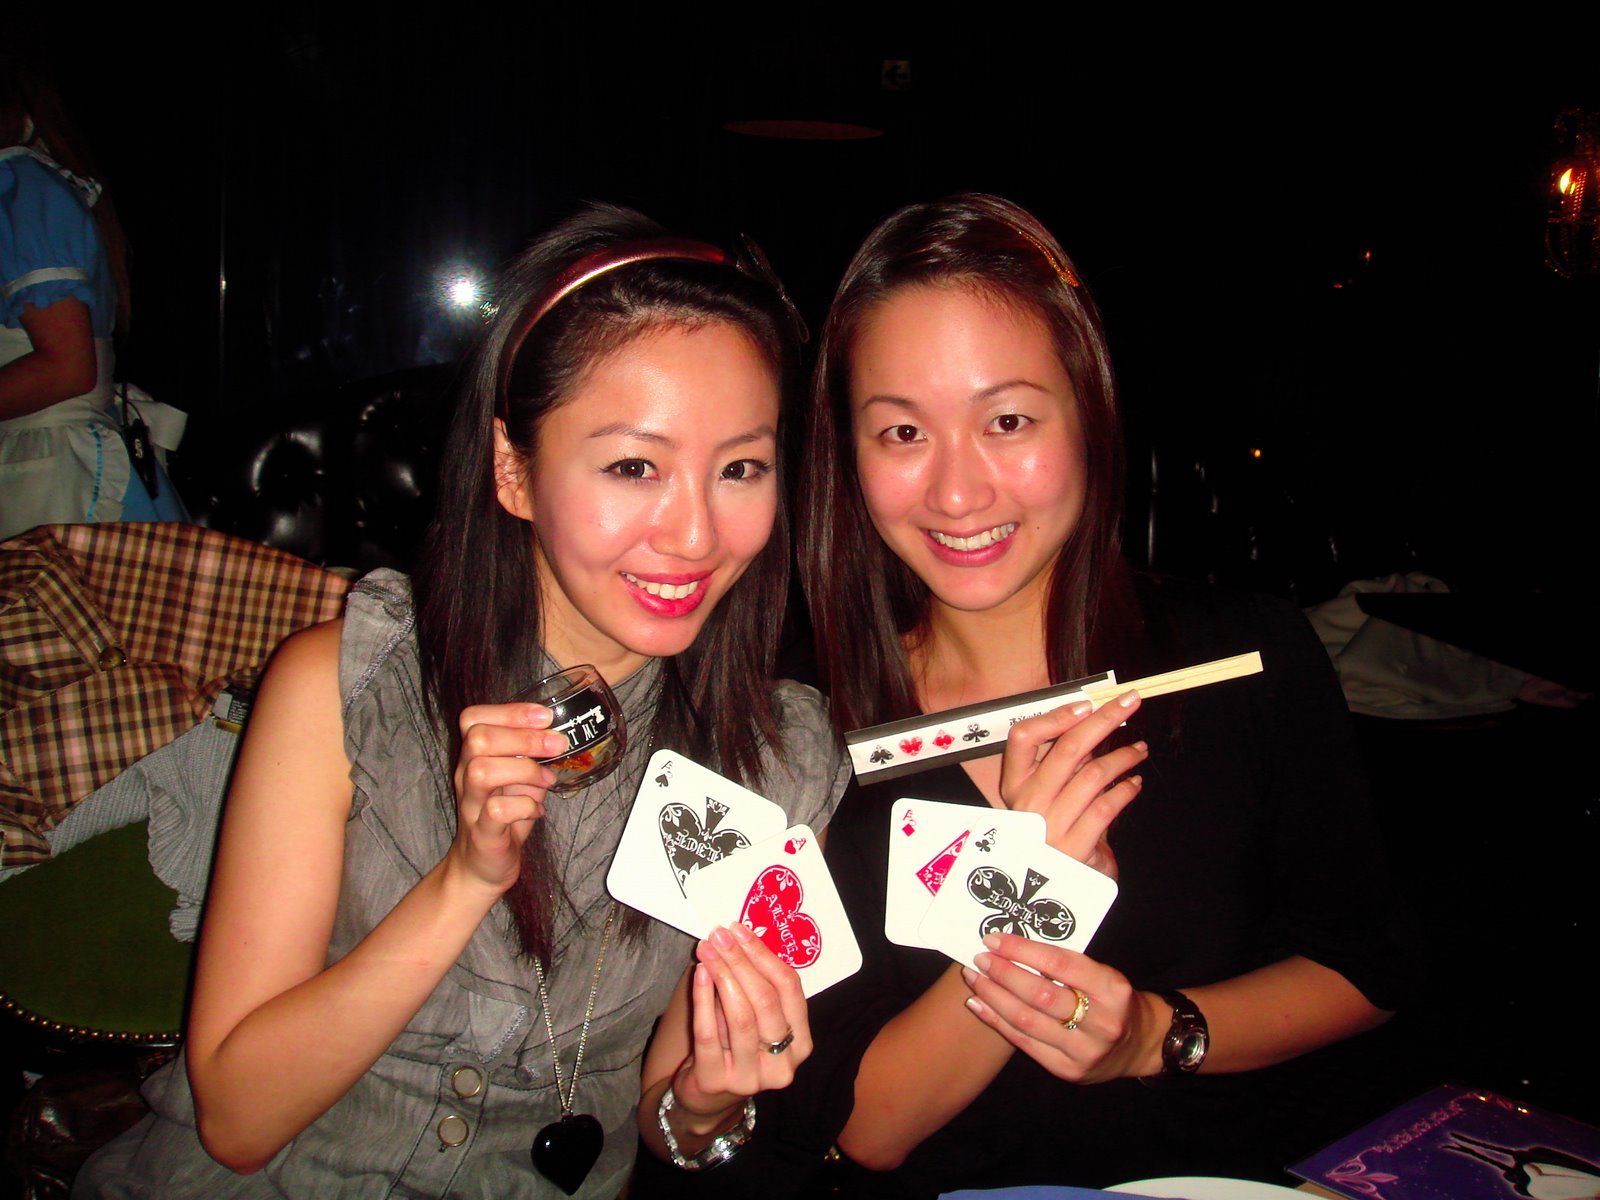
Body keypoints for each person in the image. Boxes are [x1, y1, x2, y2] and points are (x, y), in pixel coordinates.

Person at [74, 206, 848, 1199]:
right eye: (633, 466)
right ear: (513, 471)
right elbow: (236, 1121)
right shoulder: (345, 689)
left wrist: (705, 1103)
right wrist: (467, 879)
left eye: (740, 468)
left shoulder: (775, 762)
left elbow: (669, 1122)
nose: (695, 533)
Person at [781, 194, 1421, 1196]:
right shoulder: (805, 733)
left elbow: (1368, 970)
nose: (957, 492)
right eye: (902, 432)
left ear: (1089, 413)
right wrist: (1028, 905)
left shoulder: (1243, 657)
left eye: (1007, 420)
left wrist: (1155, 1036)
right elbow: (862, 1130)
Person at [0, 58, 187, 540]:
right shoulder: (31, 185)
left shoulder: (18, 187)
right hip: (53, 461)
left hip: (54, 473)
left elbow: (65, 367)